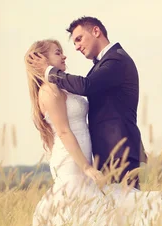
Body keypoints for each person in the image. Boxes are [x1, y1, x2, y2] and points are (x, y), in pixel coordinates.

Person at [23, 39, 162, 226]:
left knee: (97, 212)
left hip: (84, 158)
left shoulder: (62, 86)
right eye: (58, 52)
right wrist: (87, 168)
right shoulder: (49, 91)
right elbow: (63, 132)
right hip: (72, 162)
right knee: (78, 213)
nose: (65, 56)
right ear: (42, 59)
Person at [28, 16, 147, 189]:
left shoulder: (116, 60)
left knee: (127, 208)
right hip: (102, 155)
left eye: (79, 39)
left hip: (119, 152)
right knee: (115, 211)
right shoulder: (99, 67)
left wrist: (48, 71)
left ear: (96, 31)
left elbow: (86, 86)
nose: (76, 47)